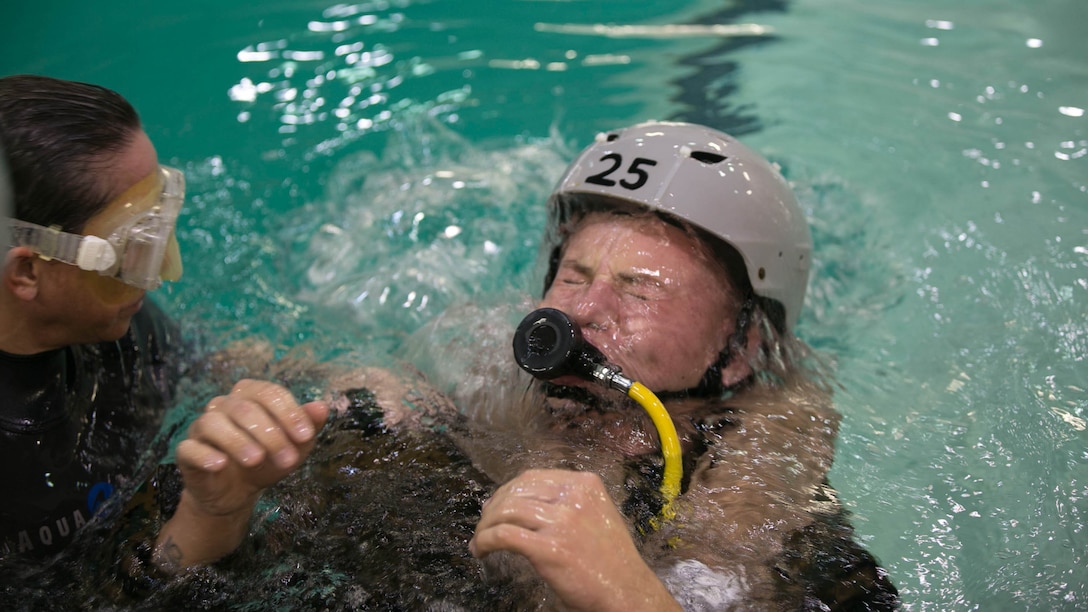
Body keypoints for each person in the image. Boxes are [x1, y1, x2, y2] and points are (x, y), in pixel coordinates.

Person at [456, 121, 900, 610]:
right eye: (573, 277)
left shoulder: (770, 490)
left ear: (741, 349)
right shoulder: (492, 376)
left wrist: (625, 594)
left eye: (640, 290)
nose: (581, 312)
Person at [0, 74, 327, 576]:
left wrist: (340, 380)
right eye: (133, 244)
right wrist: (213, 511)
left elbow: (202, 363)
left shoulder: (107, 316)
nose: (161, 273)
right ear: (27, 271)